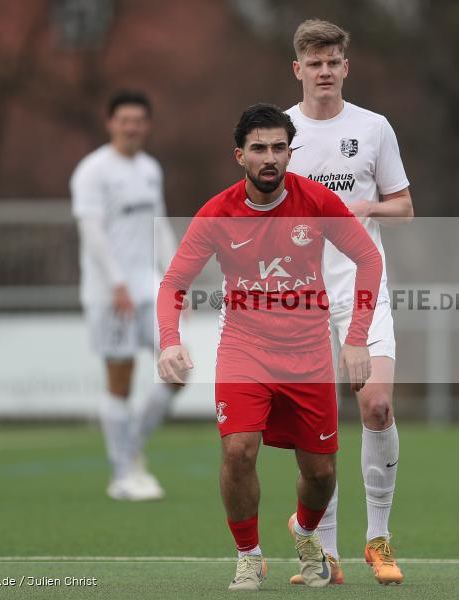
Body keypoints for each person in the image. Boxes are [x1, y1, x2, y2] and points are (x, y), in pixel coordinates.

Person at [156, 103, 382, 591]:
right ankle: (248, 555)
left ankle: (304, 532)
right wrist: (168, 342)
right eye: (259, 148)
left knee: (320, 473)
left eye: (280, 147)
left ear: (290, 152)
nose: (270, 158)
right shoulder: (217, 213)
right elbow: (173, 281)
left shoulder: (316, 201)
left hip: (309, 354)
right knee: (238, 450)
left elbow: (367, 258)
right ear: (240, 155)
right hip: (245, 348)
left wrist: (357, 337)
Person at [284, 19, 413, 585]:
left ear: (345, 67)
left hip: (364, 288)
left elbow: (404, 206)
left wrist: (362, 210)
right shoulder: (280, 130)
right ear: (299, 70)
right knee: (318, 428)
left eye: (334, 61)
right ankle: (326, 551)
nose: (325, 71)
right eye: (315, 63)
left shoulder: (374, 127)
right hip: (300, 299)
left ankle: (378, 539)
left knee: (377, 406)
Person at [71, 90, 178, 501]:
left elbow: (161, 223)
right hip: (108, 292)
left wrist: (174, 277)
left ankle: (131, 449)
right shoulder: (92, 171)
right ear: (110, 122)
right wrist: (116, 282)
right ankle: (121, 474)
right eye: (124, 120)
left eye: (138, 120)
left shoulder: (150, 168)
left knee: (178, 368)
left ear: (147, 125)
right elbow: (92, 231)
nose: (131, 127)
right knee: (121, 379)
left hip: (149, 286)